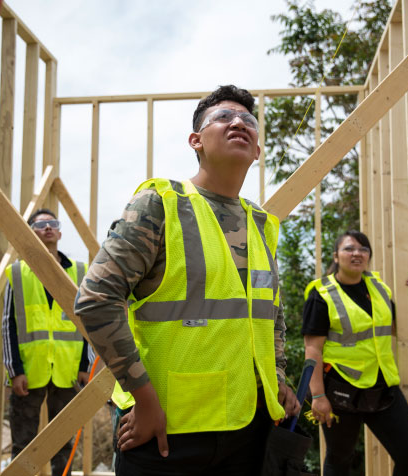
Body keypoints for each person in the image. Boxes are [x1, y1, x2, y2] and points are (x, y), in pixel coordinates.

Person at [74, 84, 300, 476]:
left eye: (249, 119)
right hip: (165, 434)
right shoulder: (161, 204)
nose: (239, 123)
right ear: (196, 141)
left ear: (258, 150)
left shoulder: (263, 225)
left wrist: (276, 379)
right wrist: (144, 401)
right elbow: (96, 299)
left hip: (249, 431)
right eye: (224, 117)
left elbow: (270, 316)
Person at [302, 230, 408, 476]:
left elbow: (396, 326)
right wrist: (318, 396)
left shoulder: (379, 289)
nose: (357, 254)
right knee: (340, 459)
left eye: (363, 249)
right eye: (349, 249)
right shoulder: (322, 294)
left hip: (383, 387)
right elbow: (312, 349)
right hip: (341, 391)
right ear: (336, 256)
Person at [2, 208, 91, 476]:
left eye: (53, 224)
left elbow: (87, 323)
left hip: (68, 371)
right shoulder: (17, 273)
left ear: (60, 232)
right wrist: (14, 370)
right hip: (30, 371)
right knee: (23, 442)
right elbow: (9, 325)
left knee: (63, 444)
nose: (48, 228)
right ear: (31, 232)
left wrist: (85, 365)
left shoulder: (80, 271)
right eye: (41, 225)